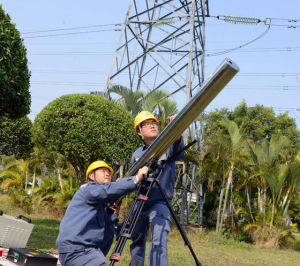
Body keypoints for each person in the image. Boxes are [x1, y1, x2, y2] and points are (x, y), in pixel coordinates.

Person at [56, 160, 149, 266]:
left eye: (108, 172)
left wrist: (112, 213)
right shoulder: (88, 189)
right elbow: (107, 190)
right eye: (103, 171)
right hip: (78, 250)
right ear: (91, 175)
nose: (107, 174)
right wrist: (135, 179)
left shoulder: (98, 204)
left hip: (82, 251)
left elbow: (105, 235)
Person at [129, 111, 184, 266]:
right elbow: (132, 179)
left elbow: (179, 150)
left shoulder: (167, 145)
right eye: (146, 124)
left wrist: (176, 128)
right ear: (139, 132)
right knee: (136, 242)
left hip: (160, 202)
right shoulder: (137, 154)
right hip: (140, 203)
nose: (152, 125)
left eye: (154, 123)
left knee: (158, 241)